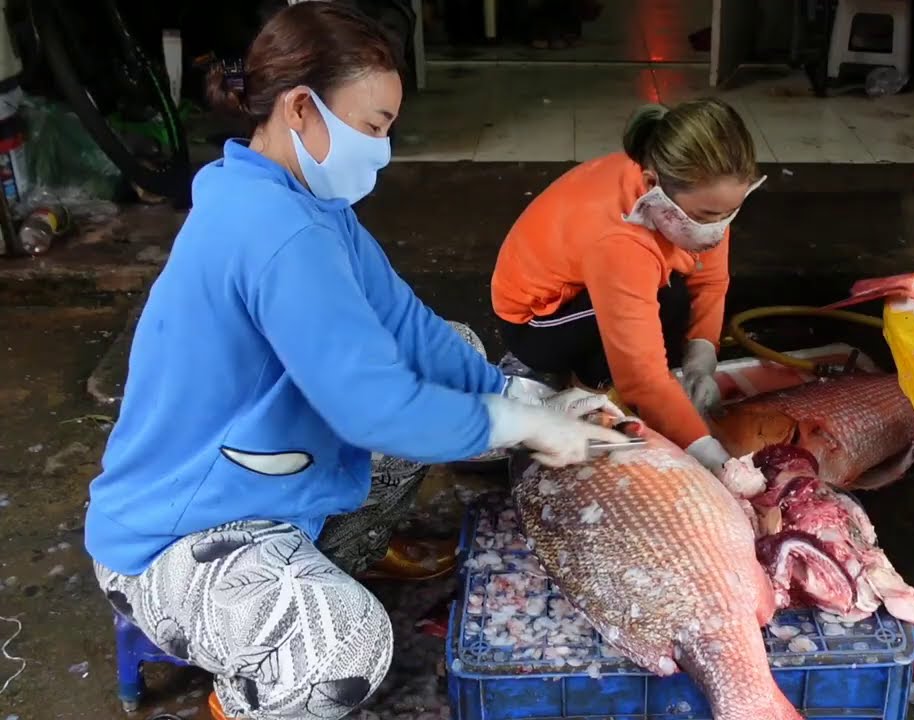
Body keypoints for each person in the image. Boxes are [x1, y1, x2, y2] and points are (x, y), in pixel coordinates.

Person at [83, 5, 624, 720]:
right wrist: (515, 423)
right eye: (371, 128)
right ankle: (251, 697)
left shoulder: (303, 203)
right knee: (345, 648)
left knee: (455, 354)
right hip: (182, 535)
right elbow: (373, 407)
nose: (382, 150)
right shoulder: (272, 231)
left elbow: (407, 327)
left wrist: (520, 396)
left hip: (266, 485)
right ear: (302, 108)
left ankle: (334, 557)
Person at [490, 98, 765, 478]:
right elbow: (643, 377)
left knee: (673, 305)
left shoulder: (689, 190)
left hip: (600, 279)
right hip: (536, 320)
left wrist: (703, 358)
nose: (717, 228)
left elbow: (710, 277)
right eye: (707, 217)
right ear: (654, 185)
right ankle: (588, 398)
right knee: (661, 314)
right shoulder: (618, 240)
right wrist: (715, 459)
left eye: (728, 213)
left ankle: (609, 378)